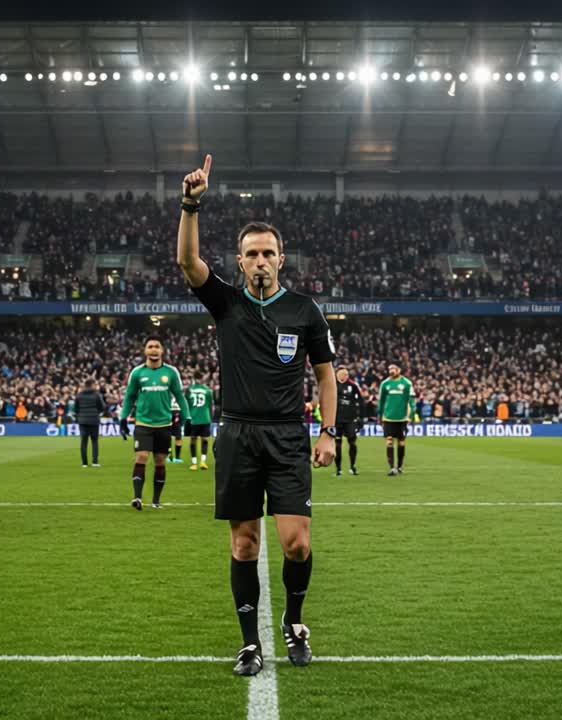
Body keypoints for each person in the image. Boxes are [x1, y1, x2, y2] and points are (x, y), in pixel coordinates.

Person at [177, 153, 337, 677]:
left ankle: (294, 622)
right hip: (239, 433)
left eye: (269, 252)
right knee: (244, 541)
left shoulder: (305, 310)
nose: (261, 260)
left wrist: (329, 431)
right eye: (252, 253)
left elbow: (325, 373)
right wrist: (190, 205)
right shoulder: (225, 303)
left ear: (281, 259)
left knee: (297, 542)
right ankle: (250, 642)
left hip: (289, 436)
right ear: (240, 262)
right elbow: (187, 263)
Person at [119, 337, 191, 510]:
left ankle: (156, 501)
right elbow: (129, 397)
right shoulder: (137, 373)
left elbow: (179, 396)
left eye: (157, 347)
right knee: (142, 456)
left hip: (164, 425)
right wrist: (123, 417)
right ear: (145, 351)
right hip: (143, 423)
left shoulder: (171, 373)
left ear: (162, 350)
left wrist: (187, 417)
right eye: (150, 347)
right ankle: (137, 498)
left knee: (160, 461)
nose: (153, 350)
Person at [378, 363, 414, 476]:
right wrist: (380, 415)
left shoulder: (407, 383)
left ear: (399, 369)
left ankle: (399, 466)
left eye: (393, 368)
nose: (391, 370)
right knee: (389, 441)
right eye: (390, 368)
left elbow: (411, 401)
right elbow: (381, 401)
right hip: (388, 417)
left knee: (401, 442)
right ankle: (392, 468)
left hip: (402, 418)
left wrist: (411, 415)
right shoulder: (385, 384)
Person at [334, 366, 367, 476]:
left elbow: (361, 402)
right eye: (342, 374)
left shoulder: (352, 386)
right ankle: (338, 469)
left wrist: (361, 418)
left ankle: (352, 466)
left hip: (350, 419)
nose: (344, 376)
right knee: (337, 444)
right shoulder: (332, 385)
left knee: (352, 442)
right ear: (337, 375)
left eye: (346, 374)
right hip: (336, 419)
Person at [184, 376, 215, 471]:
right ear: (203, 380)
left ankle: (194, 463)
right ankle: (203, 461)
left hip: (193, 418)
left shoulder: (189, 390)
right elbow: (211, 406)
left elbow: (186, 403)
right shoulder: (208, 391)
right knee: (204, 440)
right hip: (205, 418)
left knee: (193, 440)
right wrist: (211, 417)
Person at [74, 380, 107, 468]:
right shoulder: (96, 395)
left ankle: (84, 463)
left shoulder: (79, 395)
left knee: (83, 442)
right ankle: (95, 462)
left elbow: (75, 409)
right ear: (92, 385)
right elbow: (102, 407)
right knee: (94, 441)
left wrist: (80, 415)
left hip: (83, 421)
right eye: (95, 384)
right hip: (94, 420)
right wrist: (96, 412)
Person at [168, 396, 186, 464]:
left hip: (178, 414)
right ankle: (169, 456)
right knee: (167, 438)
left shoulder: (180, 396)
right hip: (169, 413)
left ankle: (177, 457)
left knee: (178, 438)